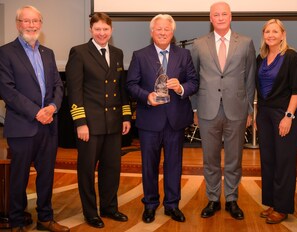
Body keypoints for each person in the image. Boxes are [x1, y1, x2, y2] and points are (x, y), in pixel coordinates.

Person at [0, 5, 69, 232]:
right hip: (22, 127)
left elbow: (59, 86)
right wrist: (35, 112)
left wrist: (51, 107)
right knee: (19, 178)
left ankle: (45, 218)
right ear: (18, 24)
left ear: (40, 24)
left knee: (47, 176)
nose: (31, 25)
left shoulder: (47, 53)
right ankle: (17, 222)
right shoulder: (5, 52)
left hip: (48, 126)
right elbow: (7, 90)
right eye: (26, 21)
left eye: (35, 21)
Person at [126, 14, 199, 223]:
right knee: (149, 165)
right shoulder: (140, 55)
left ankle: (172, 205)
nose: (163, 32)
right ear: (152, 32)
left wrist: (181, 87)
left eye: (167, 29)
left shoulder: (184, 55)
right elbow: (131, 85)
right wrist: (146, 97)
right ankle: (150, 204)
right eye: (159, 29)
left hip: (175, 121)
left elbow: (194, 82)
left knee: (174, 164)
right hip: (150, 120)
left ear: (173, 32)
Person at [65, 12, 132, 228]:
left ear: (111, 30)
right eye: (97, 29)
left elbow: (120, 89)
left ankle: (110, 208)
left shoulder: (118, 53)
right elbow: (74, 91)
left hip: (113, 122)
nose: (102, 33)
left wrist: (126, 116)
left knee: (112, 169)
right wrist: (80, 122)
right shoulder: (79, 52)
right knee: (86, 169)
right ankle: (91, 212)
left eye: (105, 29)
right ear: (91, 30)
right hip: (90, 124)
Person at [191, 1, 256, 220]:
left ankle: (231, 199)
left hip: (236, 110)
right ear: (210, 18)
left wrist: (249, 111)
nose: (220, 17)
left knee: (234, 158)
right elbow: (193, 78)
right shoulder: (199, 44)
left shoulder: (246, 43)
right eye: (216, 14)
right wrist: (194, 109)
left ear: (231, 17)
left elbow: (250, 79)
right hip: (207, 110)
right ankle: (212, 199)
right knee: (209, 158)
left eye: (224, 14)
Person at [255, 19, 297, 224]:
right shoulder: (261, 58)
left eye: (275, 31)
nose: (271, 35)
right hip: (265, 115)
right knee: (268, 160)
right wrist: (258, 115)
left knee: (284, 161)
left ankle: (283, 207)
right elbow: (258, 90)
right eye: (267, 31)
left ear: (283, 34)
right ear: (264, 35)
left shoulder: (292, 57)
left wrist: (289, 116)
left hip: (284, 114)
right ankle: (272, 203)